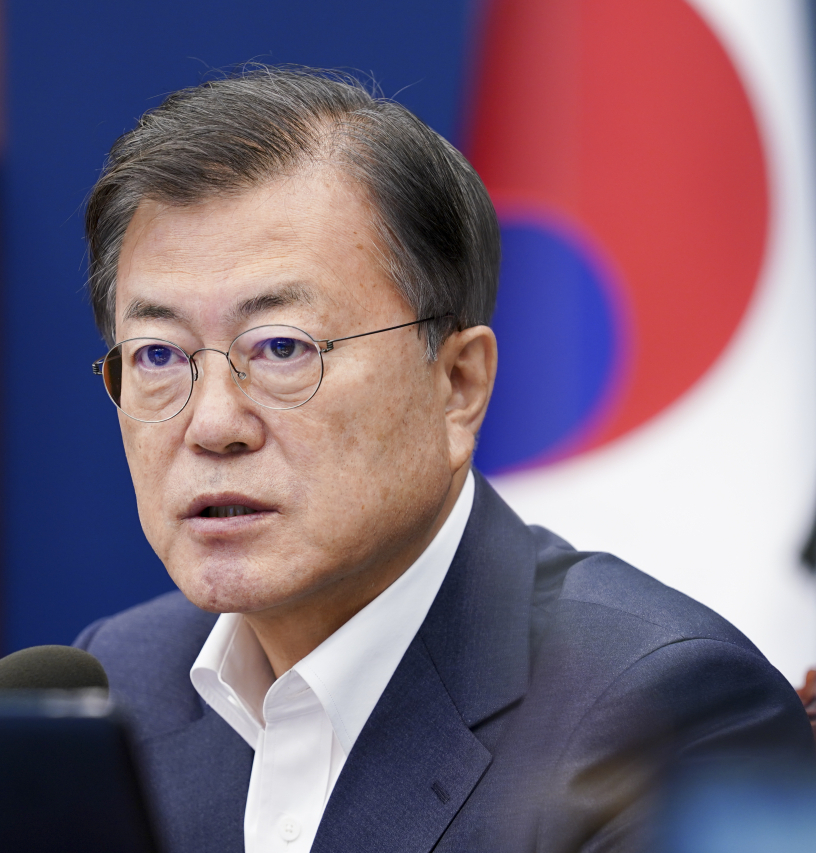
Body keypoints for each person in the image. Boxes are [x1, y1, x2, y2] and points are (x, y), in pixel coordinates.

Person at [73, 67, 815, 853]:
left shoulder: (663, 716)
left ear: (458, 384)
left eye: (283, 348)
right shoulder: (112, 684)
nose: (214, 423)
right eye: (157, 354)